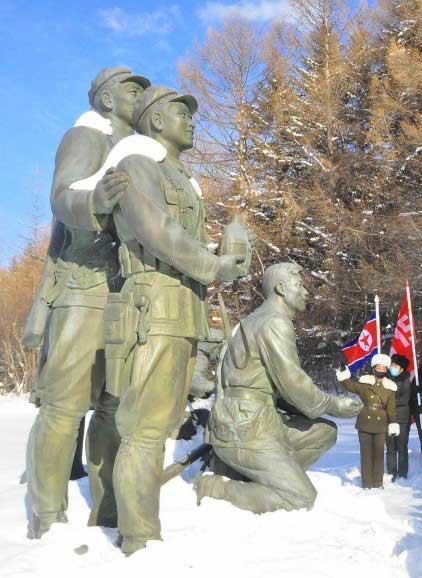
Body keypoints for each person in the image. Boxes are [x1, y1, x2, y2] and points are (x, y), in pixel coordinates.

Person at [107, 85, 252, 554]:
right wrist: (213, 265)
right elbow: (156, 231)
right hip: (155, 305)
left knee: (162, 423)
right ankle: (138, 538)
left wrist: (225, 256)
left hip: (183, 308)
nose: (191, 121)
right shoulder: (137, 164)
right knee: (145, 428)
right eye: (180, 112)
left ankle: (140, 528)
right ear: (154, 120)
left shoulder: (180, 177)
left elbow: (183, 241)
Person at [24, 66, 150, 539]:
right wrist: (94, 198)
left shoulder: (139, 152)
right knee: (64, 406)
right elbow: (61, 197)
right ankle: (47, 515)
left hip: (125, 294)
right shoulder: (86, 135)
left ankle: (108, 509)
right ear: (106, 98)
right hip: (82, 285)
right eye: (131, 89)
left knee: (114, 406)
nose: (139, 96)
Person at [195, 263, 362, 512]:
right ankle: (215, 488)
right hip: (245, 426)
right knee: (300, 498)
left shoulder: (251, 321)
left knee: (324, 432)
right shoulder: (275, 322)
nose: (305, 292)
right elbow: (293, 383)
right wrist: (334, 404)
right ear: (281, 288)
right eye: (299, 285)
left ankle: (264, 475)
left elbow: (278, 389)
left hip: (255, 419)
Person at [339, 354, 399, 489]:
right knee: (366, 454)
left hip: (381, 423)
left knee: (378, 455)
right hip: (365, 422)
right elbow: (349, 386)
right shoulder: (365, 383)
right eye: (378, 367)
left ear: (386, 370)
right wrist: (343, 371)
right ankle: (366, 483)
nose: (381, 370)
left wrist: (393, 424)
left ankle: (378, 483)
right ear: (373, 368)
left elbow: (391, 409)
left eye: (383, 368)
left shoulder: (390, 388)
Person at [386, 354, 413, 481]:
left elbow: (404, 400)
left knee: (402, 447)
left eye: (396, 366)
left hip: (402, 418)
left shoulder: (405, 381)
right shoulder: (386, 380)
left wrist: (388, 401)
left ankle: (403, 473)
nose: (393, 367)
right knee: (390, 448)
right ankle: (391, 472)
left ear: (402, 369)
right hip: (388, 418)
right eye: (392, 365)